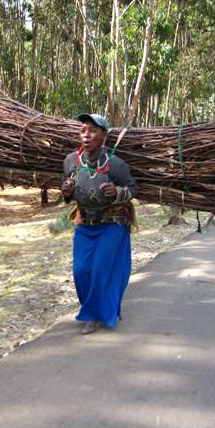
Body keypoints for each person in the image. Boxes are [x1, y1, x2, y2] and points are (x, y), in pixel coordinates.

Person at [61, 113, 138, 334]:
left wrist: (117, 192)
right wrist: (66, 192)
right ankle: (92, 307)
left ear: (103, 135)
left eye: (93, 131)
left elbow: (133, 188)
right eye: (83, 130)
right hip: (85, 223)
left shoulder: (115, 164)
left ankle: (94, 315)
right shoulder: (71, 161)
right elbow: (67, 191)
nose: (87, 135)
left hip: (112, 223)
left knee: (101, 269)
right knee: (81, 270)